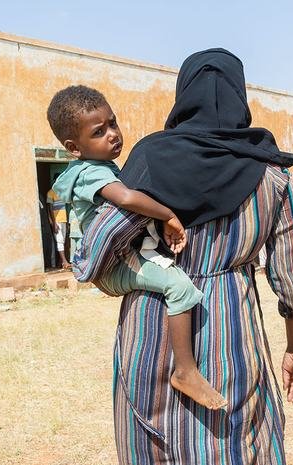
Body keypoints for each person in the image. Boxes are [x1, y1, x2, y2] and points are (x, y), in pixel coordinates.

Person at [72, 49, 293, 465]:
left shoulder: (148, 162)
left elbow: (98, 251)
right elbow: (290, 275)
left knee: (160, 449)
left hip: (153, 324)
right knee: (239, 438)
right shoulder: (271, 177)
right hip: (233, 327)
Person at [46, 85, 227, 410]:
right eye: (99, 132)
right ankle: (185, 371)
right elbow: (128, 199)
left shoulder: (102, 167)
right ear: (74, 147)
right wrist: (169, 215)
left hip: (123, 256)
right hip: (114, 266)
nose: (113, 135)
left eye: (113, 124)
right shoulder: (90, 173)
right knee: (179, 286)